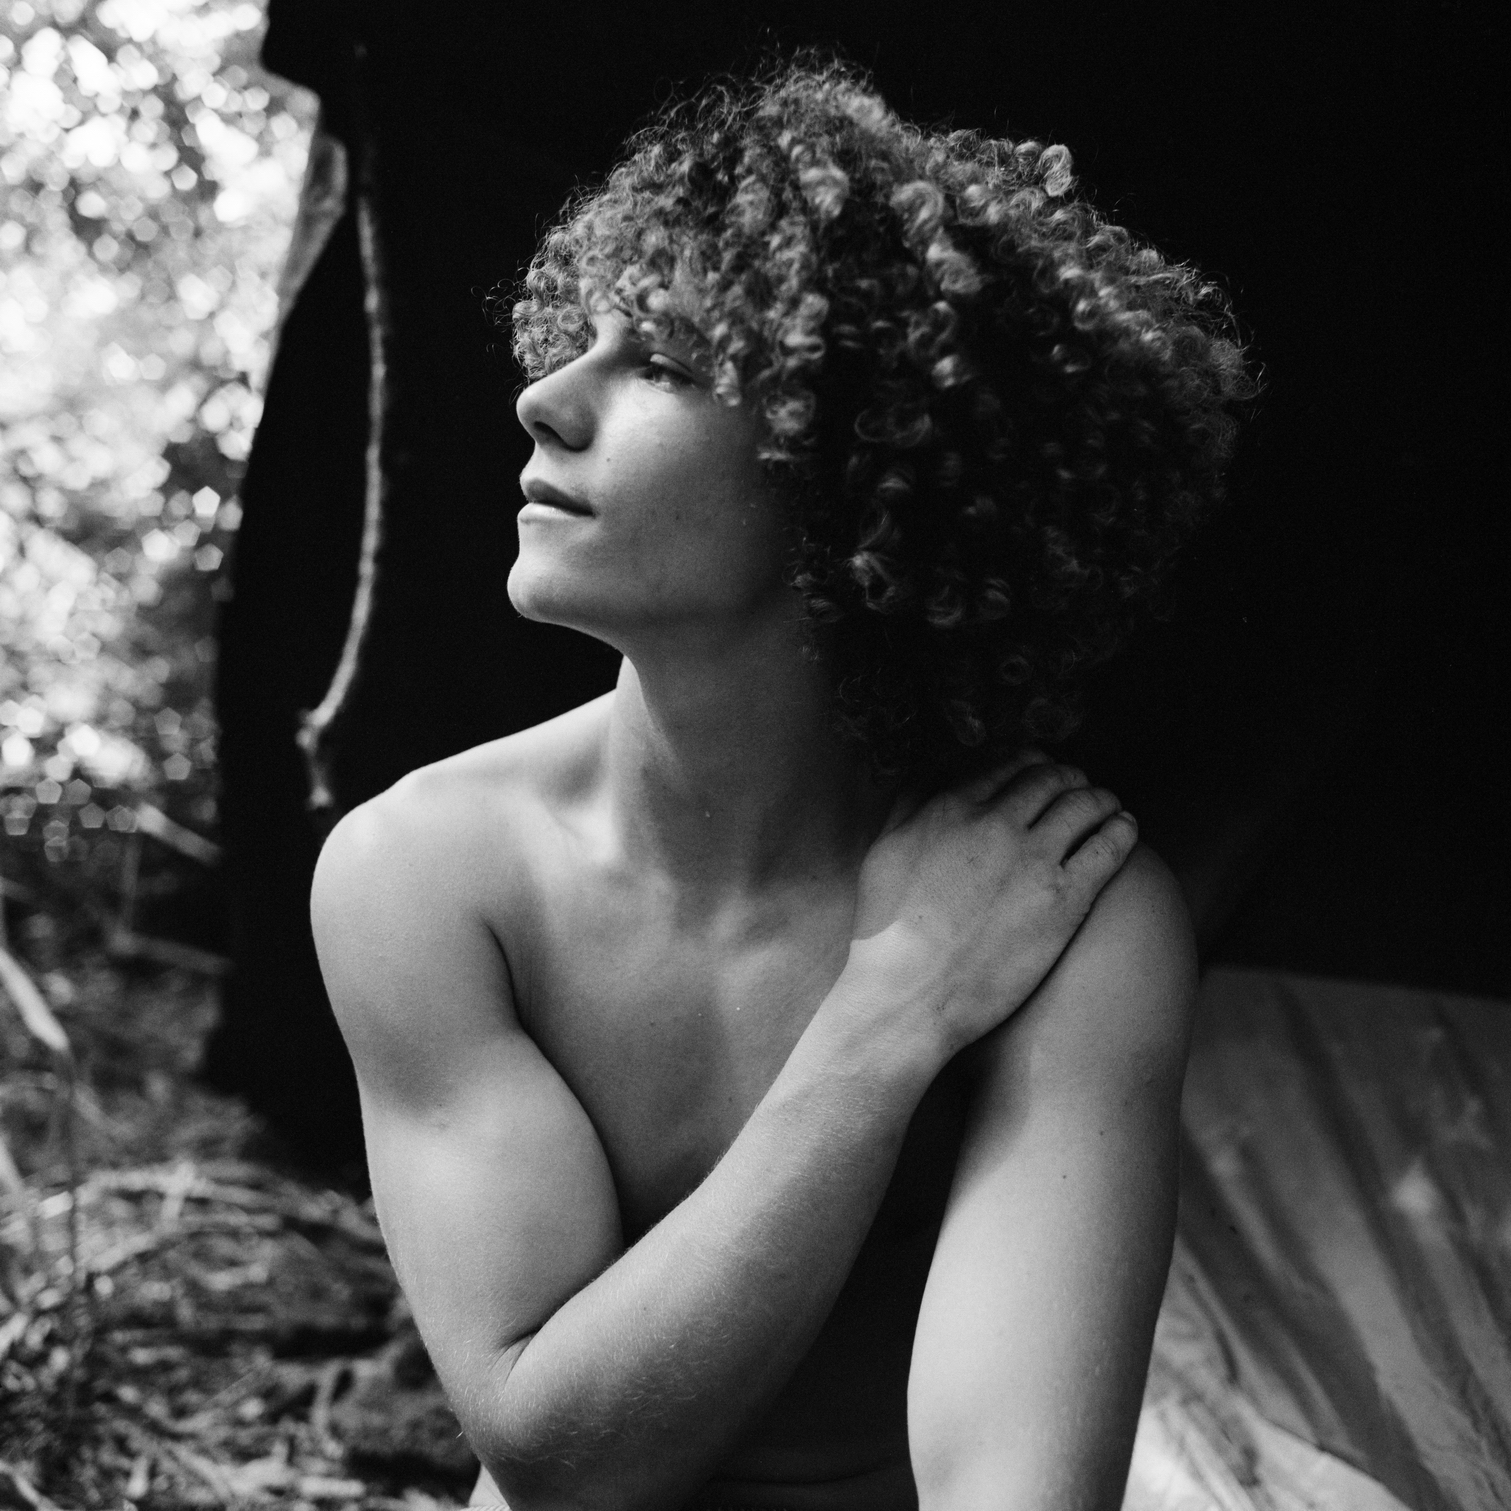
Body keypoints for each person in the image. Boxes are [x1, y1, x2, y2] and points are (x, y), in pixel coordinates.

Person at [311, 59, 1247, 1511]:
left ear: (859, 465)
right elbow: (554, 1455)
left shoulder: (1068, 909)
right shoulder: (423, 875)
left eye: (668, 364)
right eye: (585, 340)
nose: (545, 398)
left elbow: (1018, 1489)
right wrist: (889, 1013)